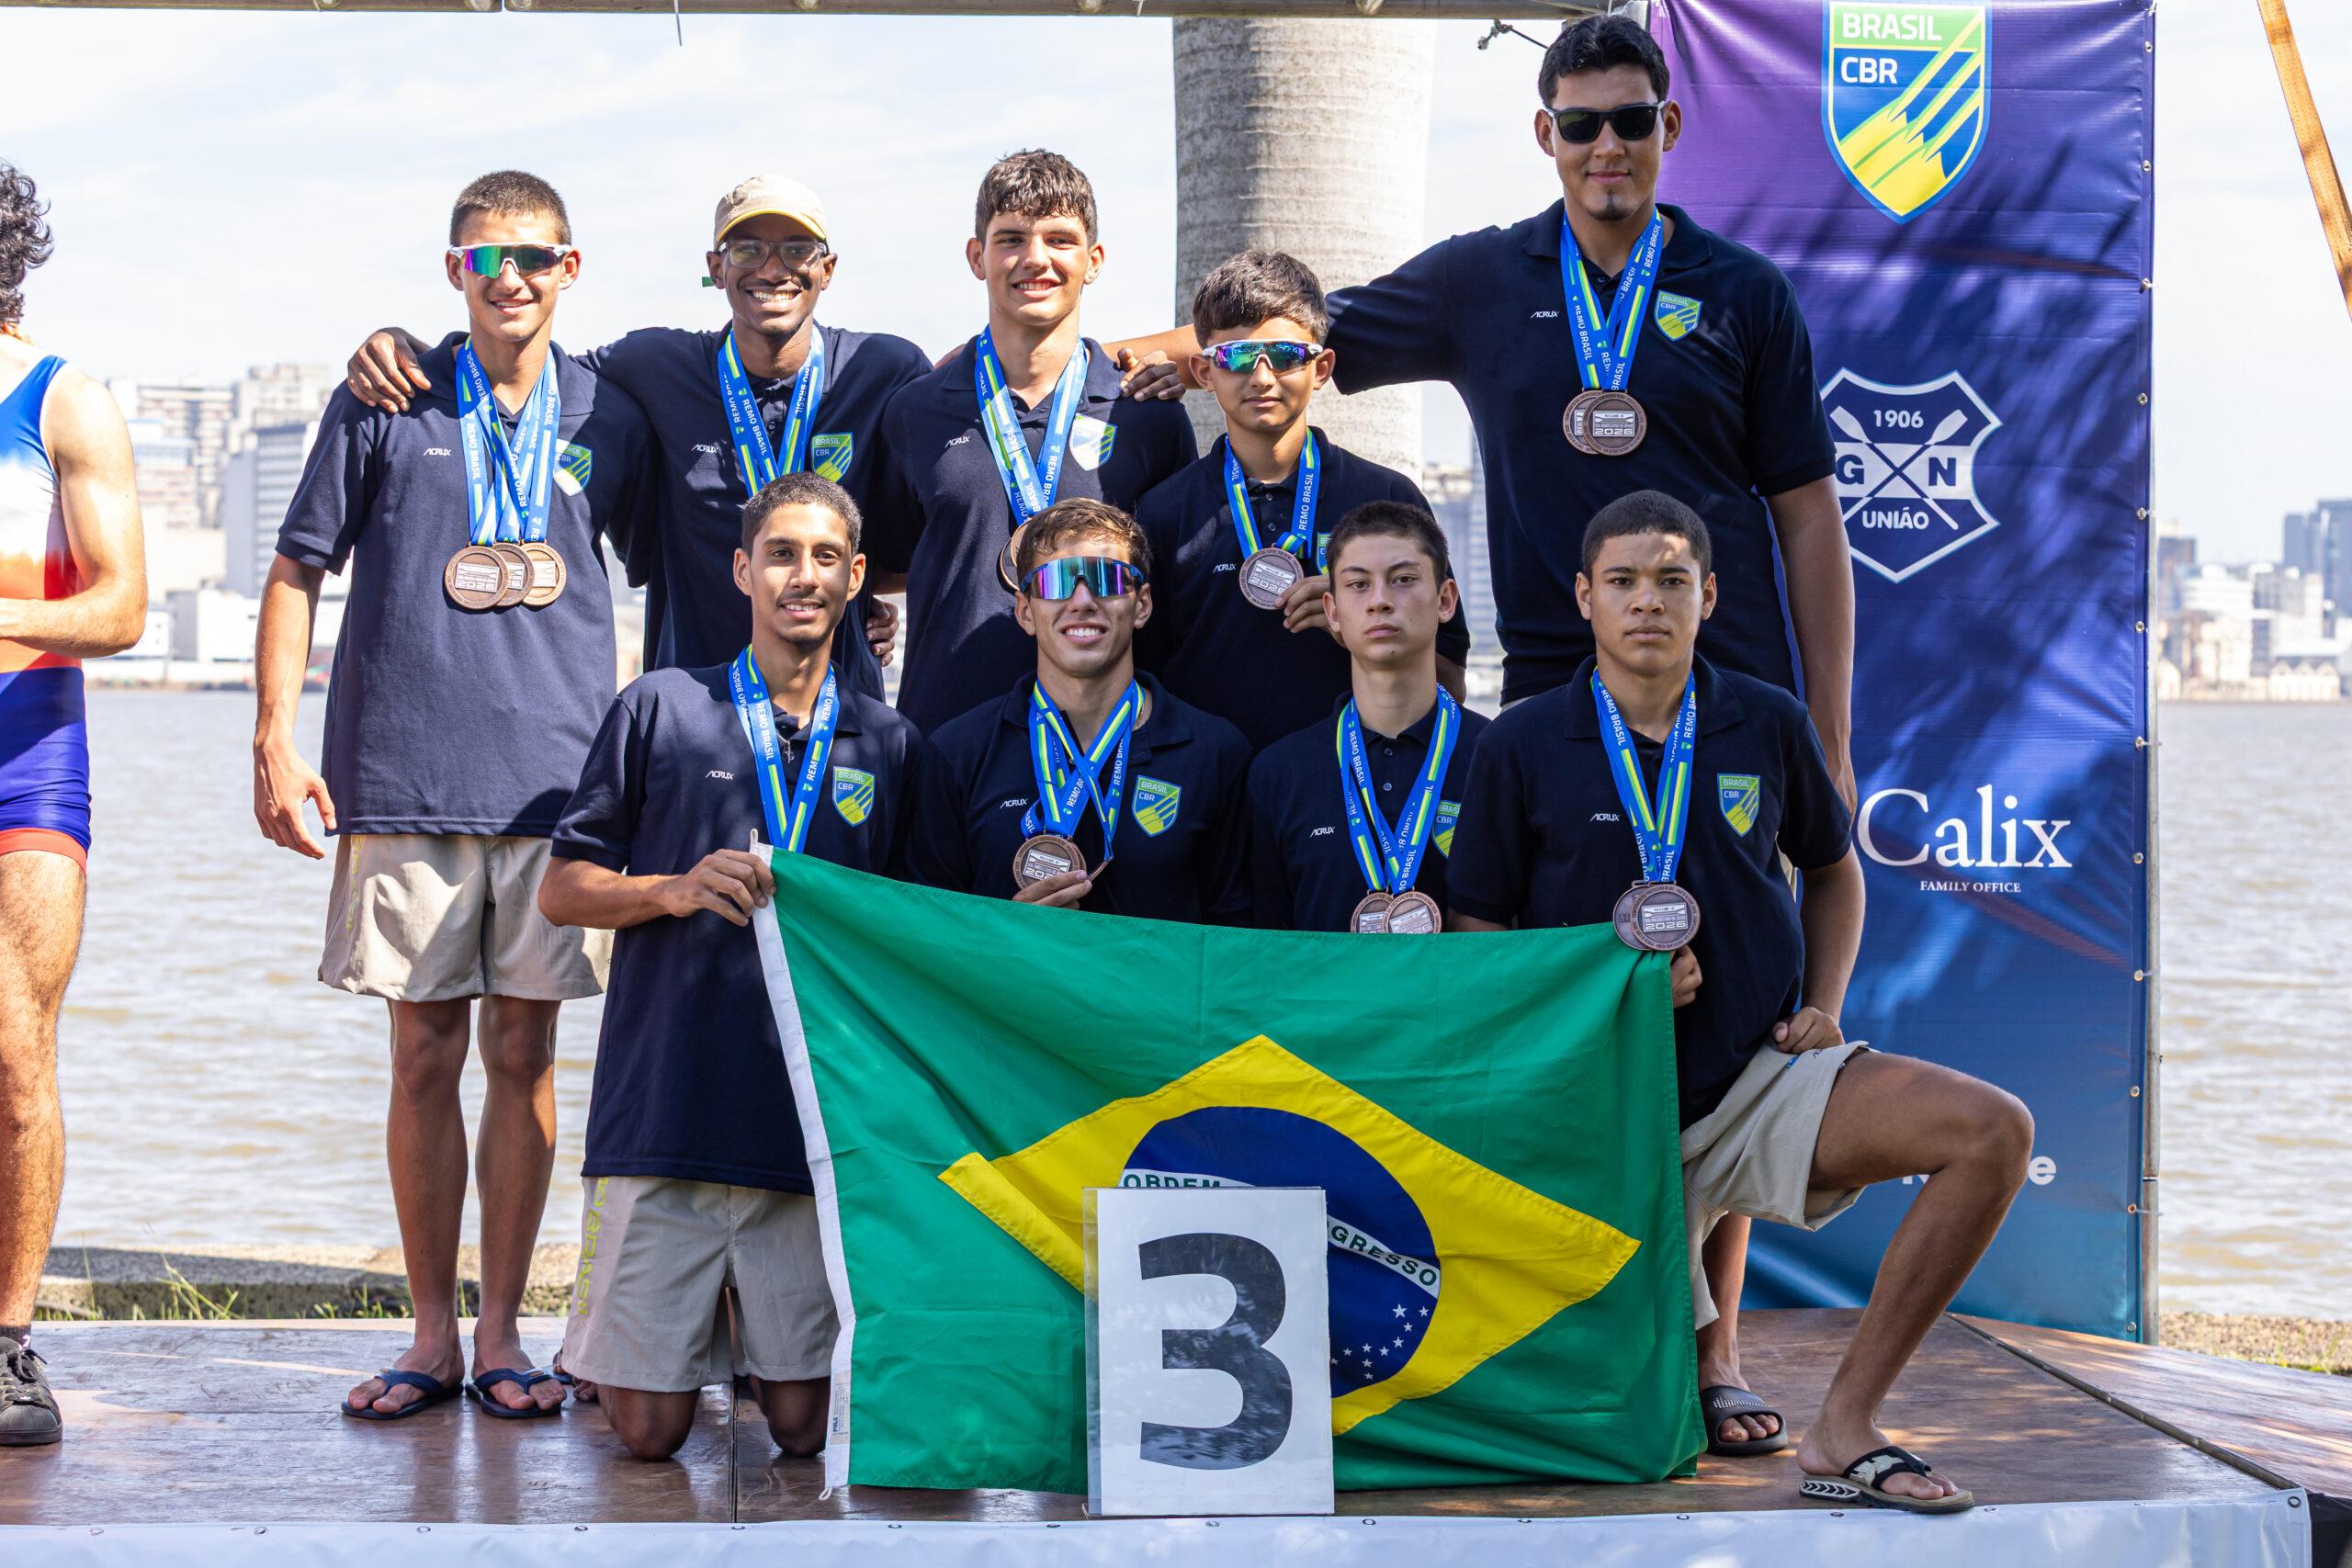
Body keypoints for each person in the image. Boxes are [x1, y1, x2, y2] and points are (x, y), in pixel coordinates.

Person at [1447, 491, 2030, 1513]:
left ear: (1708, 596)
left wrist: (1825, 1004)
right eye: (1622, 581)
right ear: (1583, 597)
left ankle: (1844, 1423)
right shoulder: (1521, 741)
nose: (1647, 601)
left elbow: (1835, 870)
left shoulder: (1765, 718)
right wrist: (1606, 985)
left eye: (1671, 580)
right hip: (1593, 1110)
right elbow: (1475, 933)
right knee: (1616, 1431)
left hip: (1755, 1085)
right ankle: (1681, 1357)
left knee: (1992, 1130)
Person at [253, 170, 656, 1422]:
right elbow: (297, 568)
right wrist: (274, 736)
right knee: (422, 1055)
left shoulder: (611, 410)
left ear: (571, 269)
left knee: (526, 1055)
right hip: (403, 777)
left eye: (535, 257)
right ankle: (429, 1331)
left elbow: (687, 567)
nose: (512, 279)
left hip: (556, 786)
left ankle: (504, 1330)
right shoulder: (389, 393)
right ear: (454, 273)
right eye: (488, 259)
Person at [538, 471, 921, 1462]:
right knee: (648, 1435)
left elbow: (920, 933)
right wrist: (668, 889)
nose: (804, 576)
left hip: (808, 1131)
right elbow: (562, 889)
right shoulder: (661, 705)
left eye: (827, 557)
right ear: (743, 570)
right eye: (782, 554)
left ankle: (727, 1321)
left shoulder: (890, 743)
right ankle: (666, 1333)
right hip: (664, 1118)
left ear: (857, 579)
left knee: (801, 1430)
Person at [339, 175, 922, 697]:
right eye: (747, 249)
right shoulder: (654, 365)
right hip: (694, 713)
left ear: (827, 268)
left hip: (842, 712)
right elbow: (525, 368)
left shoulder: (884, 370)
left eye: (797, 249)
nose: (773, 269)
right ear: (716, 267)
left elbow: (930, 534)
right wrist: (410, 349)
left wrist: (853, 595)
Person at [869, 151, 1198, 735]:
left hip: (1110, 738)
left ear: (1094, 261)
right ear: (978, 257)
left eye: (1060, 239)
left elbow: (1171, 587)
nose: (1036, 259)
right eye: (1012, 239)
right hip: (948, 735)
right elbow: (885, 564)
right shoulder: (914, 412)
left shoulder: (1146, 412)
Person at [0, 164, 148, 1448]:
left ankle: (6, 1344)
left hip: (23, 756)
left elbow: (119, 603)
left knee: (14, 1054)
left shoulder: (63, 400)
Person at [1134, 251, 1469, 753]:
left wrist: (1362, 624)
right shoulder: (1162, 512)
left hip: (1351, 782)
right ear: (1204, 372)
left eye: (1286, 355)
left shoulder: (1386, 498)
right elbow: (1138, 684)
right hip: (1208, 786)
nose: (1262, 377)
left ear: (1321, 367)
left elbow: (1451, 684)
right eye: (1237, 357)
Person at [905, 496, 1248, 923]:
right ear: (1026, 611)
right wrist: (1006, 934)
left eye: (1106, 578)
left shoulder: (1216, 753)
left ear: (1142, 605)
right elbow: (926, 931)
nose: (1082, 601)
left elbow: (1237, 937)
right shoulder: (957, 753)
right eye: (1056, 581)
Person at [1247, 502, 1487, 933]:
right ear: (1333, 611)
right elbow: (1264, 947)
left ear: (1445, 600)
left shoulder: (1498, 758)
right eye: (1358, 584)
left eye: (1404, 580)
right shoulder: (1279, 773)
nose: (1379, 601)